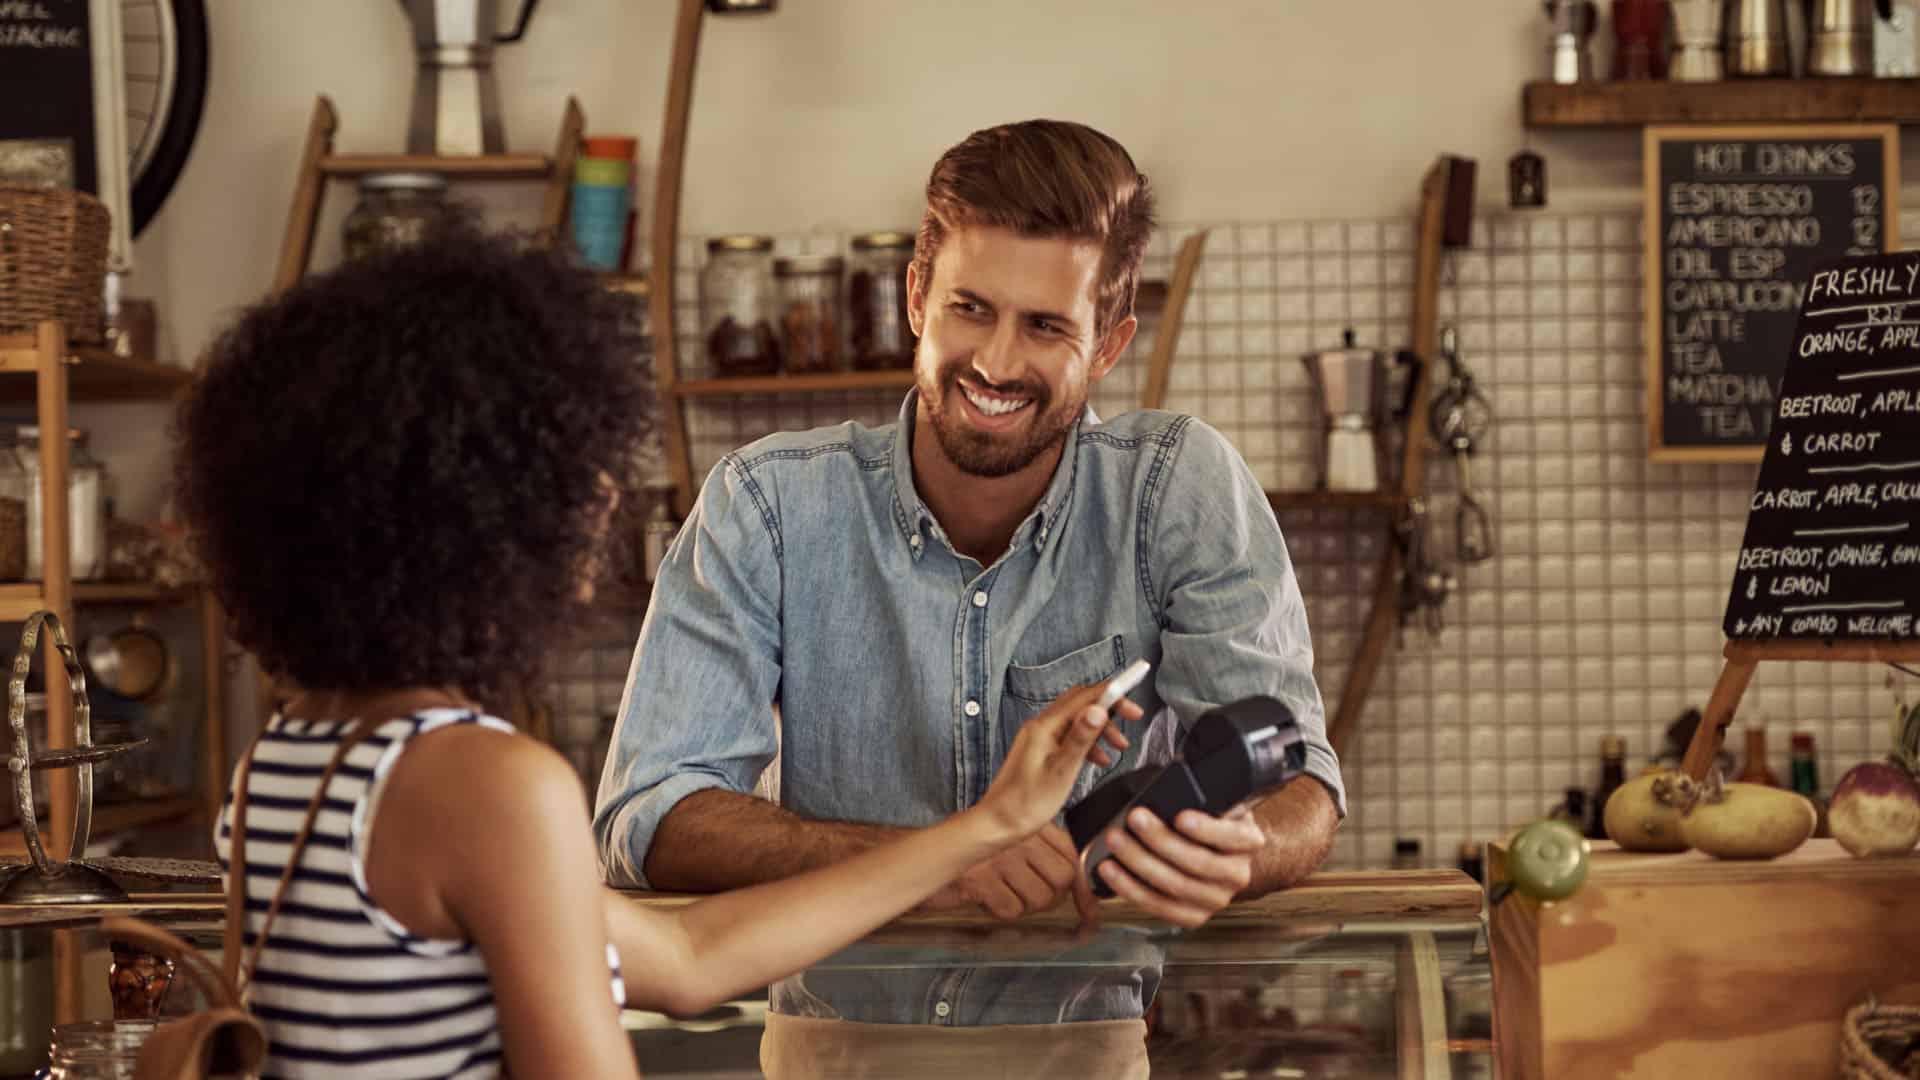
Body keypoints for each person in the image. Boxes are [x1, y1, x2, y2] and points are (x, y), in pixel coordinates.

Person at [176, 226, 1139, 1079]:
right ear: (482, 505)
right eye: (578, 468)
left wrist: (979, 830)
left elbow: (688, 964)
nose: (600, 500)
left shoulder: (286, 762)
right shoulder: (489, 786)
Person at [594, 119, 1346, 1041]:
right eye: (971, 308)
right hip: (839, 1054)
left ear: (1108, 344)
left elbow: (1301, 782)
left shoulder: (1177, 489)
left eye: (1045, 327)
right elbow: (648, 814)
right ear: (917, 297)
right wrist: (934, 863)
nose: (994, 363)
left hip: (1083, 1052)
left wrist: (1245, 851)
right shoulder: (768, 503)